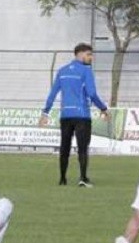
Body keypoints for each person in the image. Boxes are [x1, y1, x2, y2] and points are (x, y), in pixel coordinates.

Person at [40, 43, 109, 187]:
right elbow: (92, 93)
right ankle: (83, 178)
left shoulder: (62, 71)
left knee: (64, 146)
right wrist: (103, 108)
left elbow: (53, 93)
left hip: (65, 115)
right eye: (89, 54)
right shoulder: (86, 71)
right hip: (82, 115)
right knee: (82, 148)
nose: (91, 57)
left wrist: (45, 112)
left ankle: (62, 179)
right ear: (80, 54)